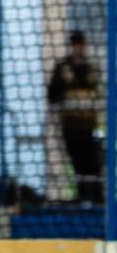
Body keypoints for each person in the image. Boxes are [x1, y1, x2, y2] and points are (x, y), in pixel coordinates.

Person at [48, 30, 103, 205]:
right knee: (77, 162)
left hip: (88, 125)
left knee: (93, 163)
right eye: (76, 45)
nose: (79, 49)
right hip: (70, 125)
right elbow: (52, 93)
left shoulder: (91, 68)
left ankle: (97, 197)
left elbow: (96, 90)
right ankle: (82, 196)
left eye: (81, 45)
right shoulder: (62, 68)